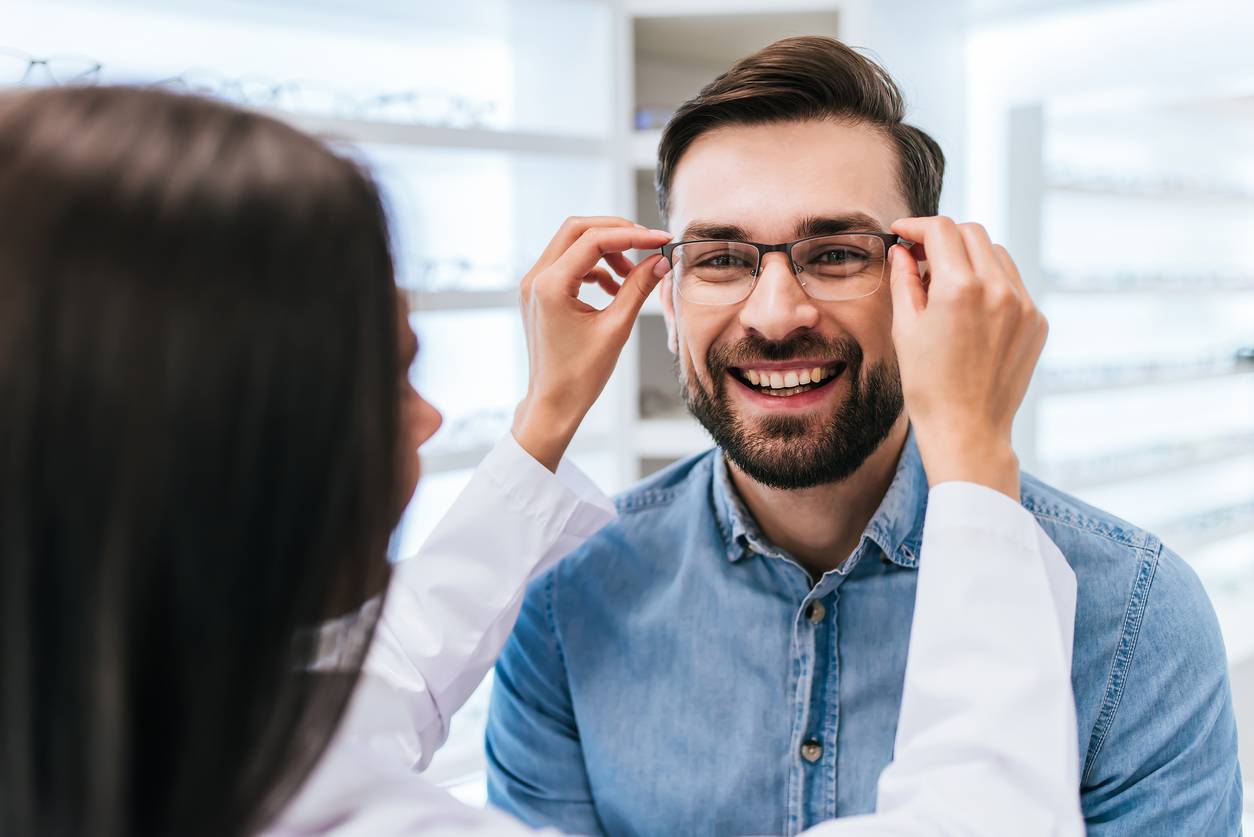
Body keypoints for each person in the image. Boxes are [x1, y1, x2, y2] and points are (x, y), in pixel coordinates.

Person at [0, 83, 1077, 837]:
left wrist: (548, 413)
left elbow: (370, 690)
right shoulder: (573, 618)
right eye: (387, 377)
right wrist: (976, 457)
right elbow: (988, 819)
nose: (425, 424)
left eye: (835, 252)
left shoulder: (129, 739)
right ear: (228, 448)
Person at [485, 35, 1243, 836]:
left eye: (838, 253)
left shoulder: (1133, 616)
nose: (776, 314)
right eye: (721, 259)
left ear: (928, 281)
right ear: (668, 304)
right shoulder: (563, 605)